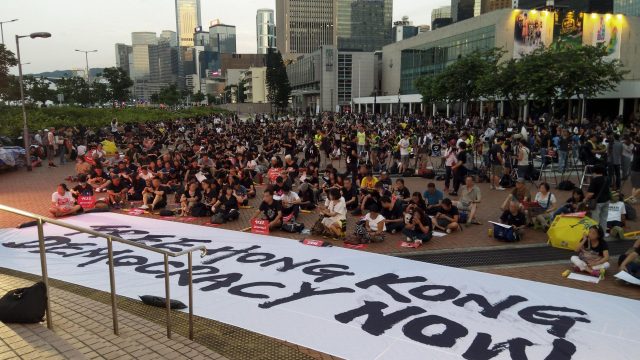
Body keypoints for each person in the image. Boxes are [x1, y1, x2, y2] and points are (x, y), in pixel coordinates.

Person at [585, 165, 610, 230]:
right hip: (606, 201)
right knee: (604, 219)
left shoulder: (594, 180)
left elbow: (591, 194)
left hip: (597, 203)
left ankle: (596, 234)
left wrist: (585, 199)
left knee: (595, 220)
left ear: (595, 172)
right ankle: (603, 234)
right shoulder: (607, 178)